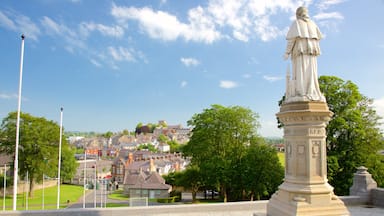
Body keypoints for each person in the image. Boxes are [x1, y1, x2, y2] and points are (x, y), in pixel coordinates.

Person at [284, 6, 325, 102]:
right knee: (311, 72)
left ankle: (302, 92)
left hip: (300, 51)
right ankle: (311, 91)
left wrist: (287, 52)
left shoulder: (297, 23)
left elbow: (291, 39)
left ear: (297, 14)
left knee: (300, 71)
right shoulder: (313, 24)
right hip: (310, 51)